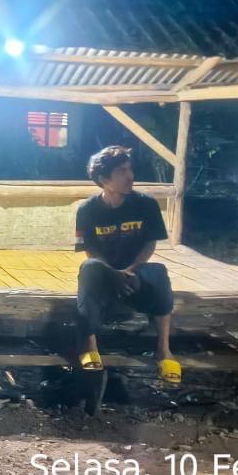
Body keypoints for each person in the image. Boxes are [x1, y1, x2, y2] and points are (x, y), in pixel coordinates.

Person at [74, 146, 180, 384]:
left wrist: (131, 269)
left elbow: (150, 243)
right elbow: (90, 250)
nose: (130, 176)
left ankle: (164, 350)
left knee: (159, 273)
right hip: (105, 274)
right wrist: (113, 273)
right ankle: (90, 346)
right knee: (89, 268)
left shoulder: (146, 205)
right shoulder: (87, 210)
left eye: (130, 169)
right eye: (122, 171)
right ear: (104, 179)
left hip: (135, 271)